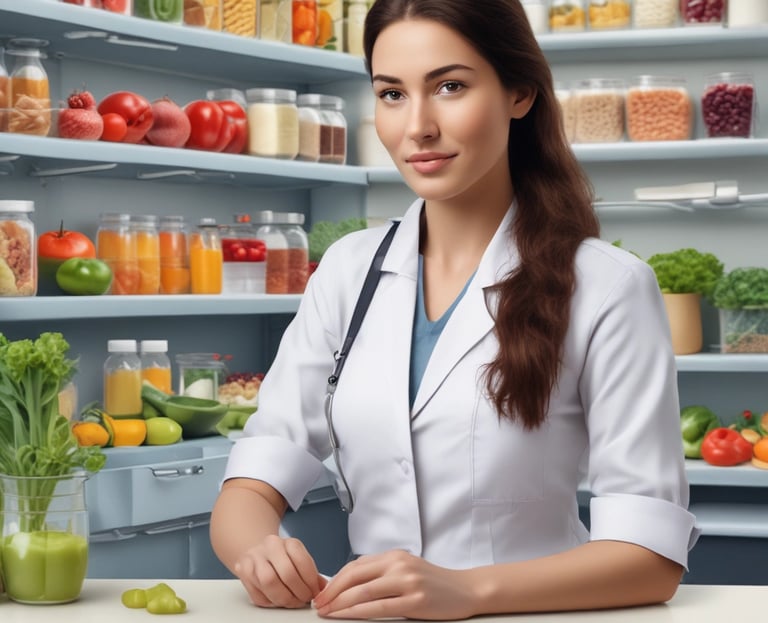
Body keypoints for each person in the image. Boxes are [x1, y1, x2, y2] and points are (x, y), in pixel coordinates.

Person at [210, 0, 699, 618]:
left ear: (519, 93)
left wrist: (468, 592)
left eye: (450, 87)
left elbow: (650, 557)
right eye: (392, 94)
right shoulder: (347, 271)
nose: (417, 127)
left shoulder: (607, 286)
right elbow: (256, 477)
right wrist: (256, 550)